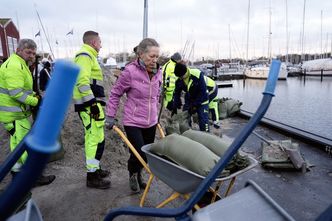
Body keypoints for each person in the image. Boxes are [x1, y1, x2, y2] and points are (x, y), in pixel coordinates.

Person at [106, 38, 162, 192]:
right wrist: (110, 116)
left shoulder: (159, 72)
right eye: (151, 56)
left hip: (150, 121)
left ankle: (139, 174)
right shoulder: (130, 72)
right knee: (138, 151)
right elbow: (115, 93)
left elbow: (156, 96)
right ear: (141, 54)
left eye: (157, 56)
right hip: (133, 120)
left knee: (146, 154)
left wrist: (157, 115)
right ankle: (132, 173)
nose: (154, 60)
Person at [0, 39, 55, 186]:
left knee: (17, 147)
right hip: (15, 115)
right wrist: (36, 101)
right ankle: (33, 178)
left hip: (15, 114)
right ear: (18, 50)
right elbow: (16, 93)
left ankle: (17, 176)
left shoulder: (19, 64)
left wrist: (34, 96)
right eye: (28, 52)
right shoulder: (15, 66)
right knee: (26, 147)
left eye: (33, 53)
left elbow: (23, 90)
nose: (31, 56)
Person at [73, 31, 110, 189]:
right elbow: (82, 82)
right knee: (94, 139)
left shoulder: (89, 56)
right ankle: (92, 176)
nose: (101, 45)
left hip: (92, 104)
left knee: (97, 138)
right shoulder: (85, 55)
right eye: (100, 42)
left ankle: (96, 169)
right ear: (94, 42)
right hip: (90, 106)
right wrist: (92, 104)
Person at [172, 63, 210, 132]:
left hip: (202, 101)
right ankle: (188, 133)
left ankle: (206, 134)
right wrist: (175, 105)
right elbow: (177, 93)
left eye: (181, 76)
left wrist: (195, 105)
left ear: (185, 72)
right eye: (178, 76)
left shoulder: (197, 75)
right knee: (185, 119)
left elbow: (203, 91)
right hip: (189, 100)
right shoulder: (179, 80)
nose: (180, 78)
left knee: (204, 121)